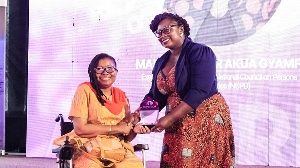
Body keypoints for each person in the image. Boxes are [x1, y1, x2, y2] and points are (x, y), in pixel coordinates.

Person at [143, 12, 236, 168]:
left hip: (205, 119)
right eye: (158, 32)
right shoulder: (161, 61)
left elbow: (200, 90)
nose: (161, 35)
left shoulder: (200, 52)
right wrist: (143, 119)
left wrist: (170, 117)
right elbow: (155, 96)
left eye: (167, 29)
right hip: (176, 123)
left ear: (181, 29)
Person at [53, 53, 150, 168]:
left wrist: (134, 130)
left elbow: (126, 136)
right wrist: (115, 128)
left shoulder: (122, 96)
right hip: (88, 147)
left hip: (117, 149)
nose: (105, 72)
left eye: (110, 68)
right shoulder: (85, 90)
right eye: (99, 69)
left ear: (116, 72)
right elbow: (80, 129)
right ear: (93, 72)